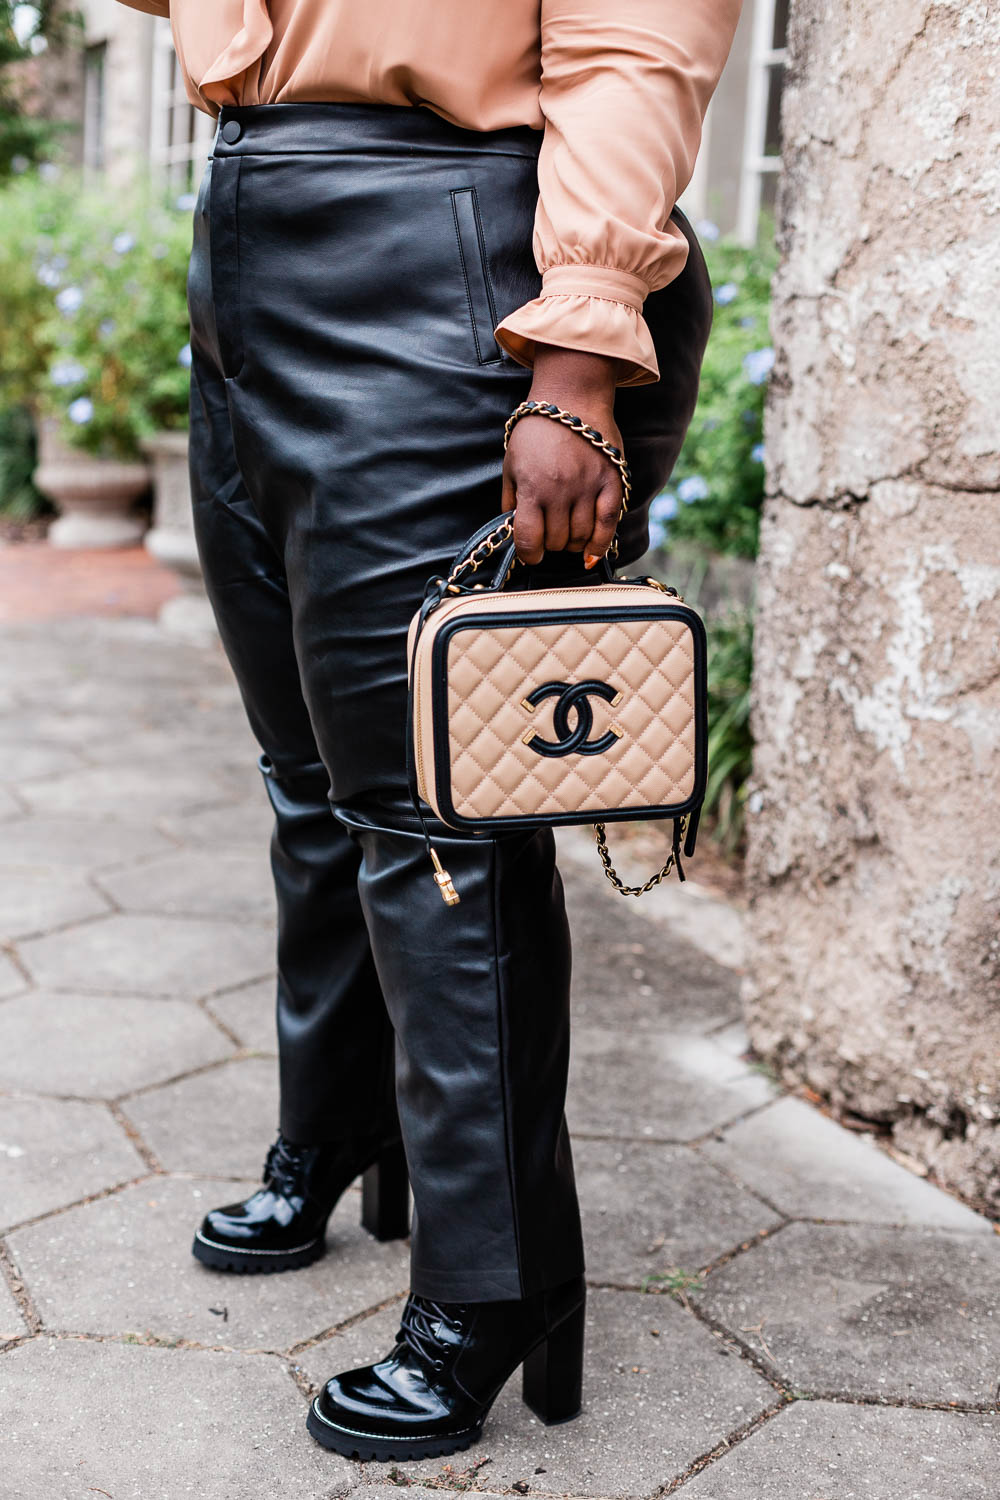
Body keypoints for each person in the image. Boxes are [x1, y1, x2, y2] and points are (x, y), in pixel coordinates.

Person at [116, 0, 742, 1464]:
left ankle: (494, 1286)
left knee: (432, 816)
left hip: (447, 252)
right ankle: (336, 1132)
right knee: (310, 770)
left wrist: (578, 355)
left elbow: (633, 39)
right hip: (252, 237)